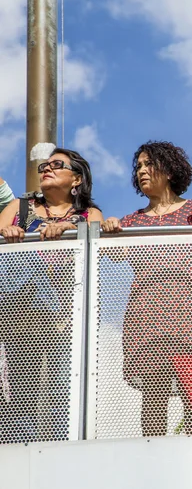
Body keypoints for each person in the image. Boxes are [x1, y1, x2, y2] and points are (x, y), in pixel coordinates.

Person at [101, 141, 192, 436]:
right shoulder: (132, 220)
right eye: (139, 167)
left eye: (149, 164)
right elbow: (114, 253)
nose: (142, 171)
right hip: (149, 316)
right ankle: (153, 456)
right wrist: (109, 228)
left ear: (169, 170)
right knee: (154, 392)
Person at [0, 148, 102, 442]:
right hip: (20, 317)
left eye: (57, 165)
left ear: (76, 179)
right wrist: (11, 233)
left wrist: (71, 228)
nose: (47, 169)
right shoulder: (20, 208)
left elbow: (94, 240)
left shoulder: (87, 213)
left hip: (67, 319)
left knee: (62, 391)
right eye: (44, 165)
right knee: (22, 393)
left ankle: (62, 453)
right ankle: (18, 451)